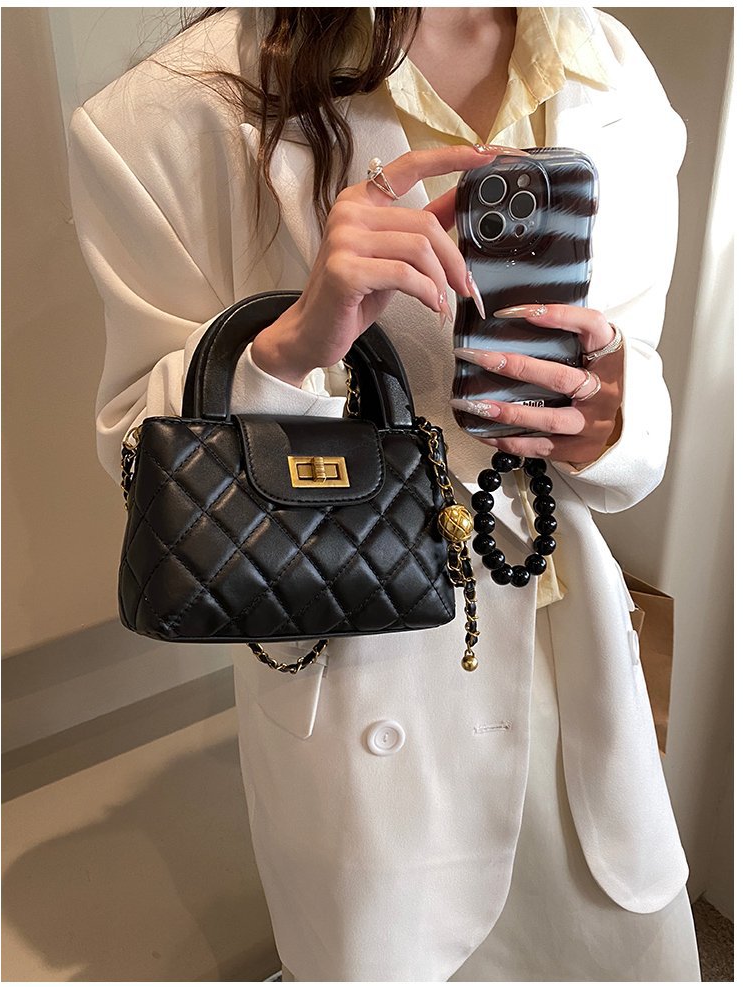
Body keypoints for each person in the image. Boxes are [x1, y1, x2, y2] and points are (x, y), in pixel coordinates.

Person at [66, 7, 702, 982]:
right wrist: (290, 347)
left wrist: (610, 418)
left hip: (572, 665)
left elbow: (632, 369)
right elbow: (139, 458)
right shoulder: (162, 116)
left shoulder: (604, 61)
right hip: (368, 685)